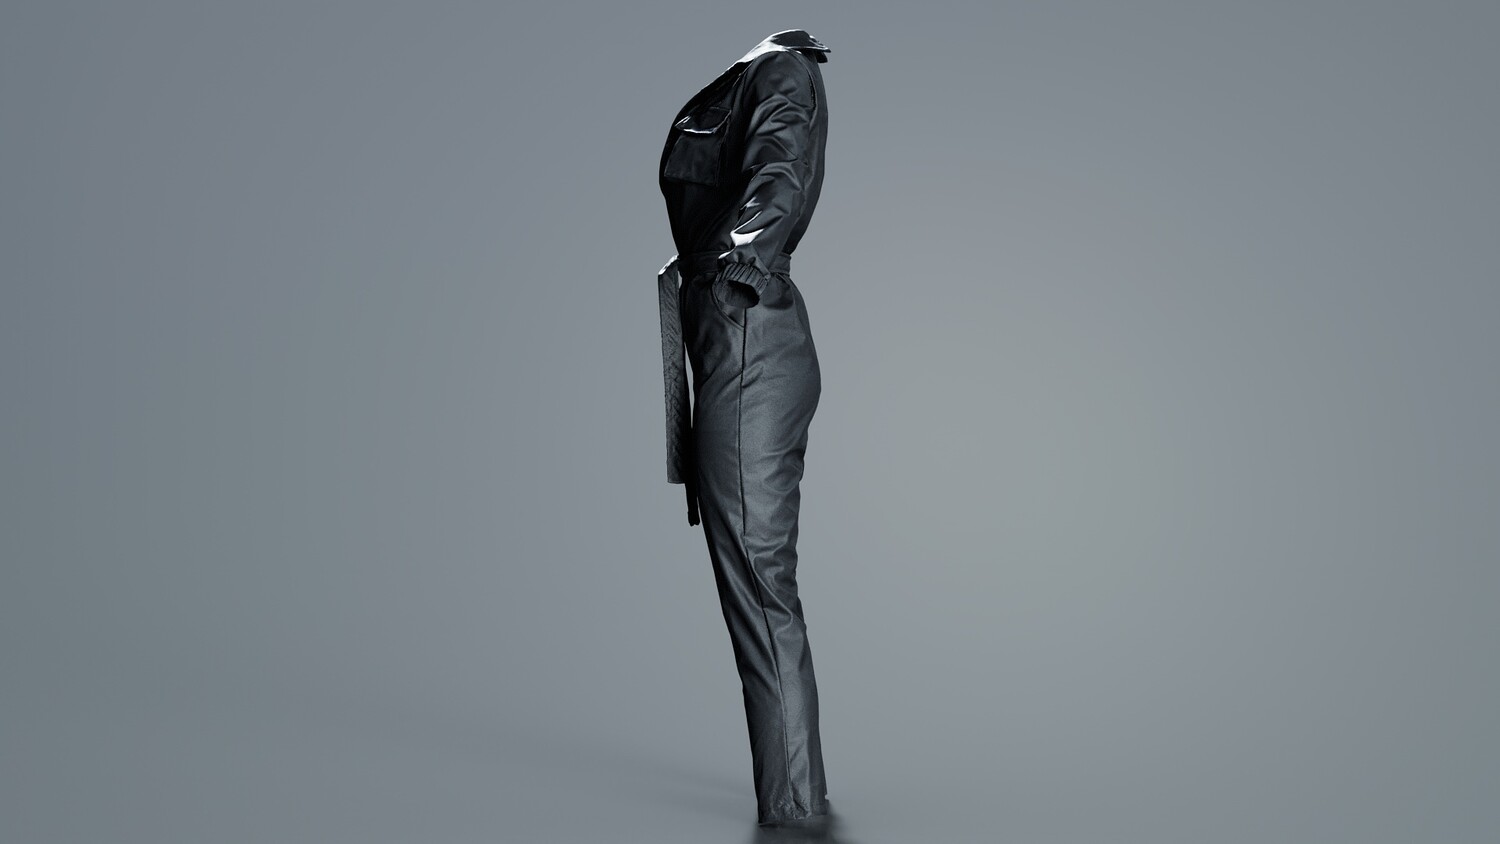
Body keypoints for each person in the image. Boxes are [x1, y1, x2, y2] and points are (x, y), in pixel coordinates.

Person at [655, 29, 836, 833]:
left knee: (761, 586)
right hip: (728, 336)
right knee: (755, 585)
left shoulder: (781, 70)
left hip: (745, 333)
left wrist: (740, 262)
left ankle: (794, 811)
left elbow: (781, 168)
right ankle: (796, 797)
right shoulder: (751, 70)